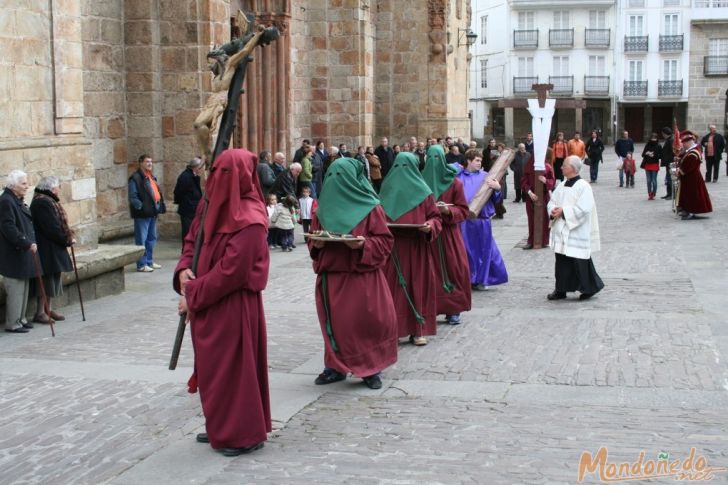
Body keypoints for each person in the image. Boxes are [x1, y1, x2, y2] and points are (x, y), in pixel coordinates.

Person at [174, 148, 271, 457]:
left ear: (242, 176)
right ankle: (220, 425)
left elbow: (232, 272)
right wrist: (183, 272)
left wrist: (193, 294)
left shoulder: (252, 219)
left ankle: (243, 433)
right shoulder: (208, 207)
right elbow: (192, 241)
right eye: (214, 171)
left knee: (234, 372)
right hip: (206, 304)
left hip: (233, 306)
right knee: (213, 370)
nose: (216, 179)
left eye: (225, 173)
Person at [307, 158, 397, 389]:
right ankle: (334, 367)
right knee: (334, 325)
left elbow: (385, 242)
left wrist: (362, 246)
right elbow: (314, 240)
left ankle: (370, 368)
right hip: (332, 277)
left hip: (363, 276)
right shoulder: (322, 208)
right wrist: (316, 244)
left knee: (366, 323)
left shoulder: (371, 206)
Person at [380, 152, 442, 346]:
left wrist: (430, 225)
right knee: (392, 290)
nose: (402, 171)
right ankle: (394, 329)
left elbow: (436, 217)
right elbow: (376, 217)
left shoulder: (424, 192)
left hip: (417, 249)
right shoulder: (385, 189)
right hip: (393, 250)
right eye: (398, 166)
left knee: (418, 287)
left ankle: (418, 329)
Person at [422, 144, 471, 325]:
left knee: (454, 269)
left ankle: (453, 308)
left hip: (449, 234)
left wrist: (448, 211)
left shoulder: (454, 182)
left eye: (437, 159)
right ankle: (431, 308)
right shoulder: (420, 183)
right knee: (430, 273)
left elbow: (463, 210)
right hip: (429, 236)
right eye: (431, 158)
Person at [547, 155, 604, 301]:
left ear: (572, 168)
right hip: (562, 229)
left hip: (576, 230)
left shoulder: (583, 186)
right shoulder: (561, 185)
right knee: (561, 262)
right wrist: (553, 209)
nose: (561, 167)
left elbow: (584, 209)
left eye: (564, 165)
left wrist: (563, 212)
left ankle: (589, 288)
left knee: (580, 262)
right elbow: (552, 201)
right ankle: (561, 289)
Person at [459, 149, 508, 290]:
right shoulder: (459, 177)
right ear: (468, 161)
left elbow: (496, 199)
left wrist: (498, 189)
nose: (480, 163)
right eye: (477, 160)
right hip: (465, 222)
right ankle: (468, 278)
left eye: (480, 160)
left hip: (482, 220)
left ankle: (482, 279)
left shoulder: (487, 177)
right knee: (467, 250)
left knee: (483, 250)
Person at [29, 176, 75, 324]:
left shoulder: (47, 200)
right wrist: (66, 239)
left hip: (52, 247)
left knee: (53, 279)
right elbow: (51, 228)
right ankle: (40, 312)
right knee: (47, 279)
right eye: (57, 188)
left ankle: (48, 309)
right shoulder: (42, 202)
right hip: (46, 248)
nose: (58, 191)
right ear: (51, 188)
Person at [0, 170, 36, 333]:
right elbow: (8, 227)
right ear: (13, 185)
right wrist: (25, 242)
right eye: (23, 183)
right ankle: (13, 323)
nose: (26, 186)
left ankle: (21, 319)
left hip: (23, 251)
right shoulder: (6, 201)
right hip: (13, 252)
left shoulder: (15, 199)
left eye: (26, 183)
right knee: (15, 288)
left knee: (24, 285)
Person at [128, 154, 165, 272]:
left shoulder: (151, 177)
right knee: (141, 240)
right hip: (143, 214)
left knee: (151, 238)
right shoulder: (135, 178)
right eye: (147, 161)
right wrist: (142, 208)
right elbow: (133, 197)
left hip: (152, 212)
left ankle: (149, 261)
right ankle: (141, 264)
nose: (150, 164)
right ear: (141, 163)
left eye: (151, 161)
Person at [521, 147, 556, 250]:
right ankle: (531, 241)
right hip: (531, 198)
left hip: (544, 197)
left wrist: (546, 181)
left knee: (544, 219)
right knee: (531, 220)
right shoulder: (529, 165)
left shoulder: (547, 166)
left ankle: (544, 240)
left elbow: (552, 181)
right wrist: (529, 192)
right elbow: (524, 180)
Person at [677, 132, 713, 220]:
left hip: (692, 178)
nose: (683, 145)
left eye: (684, 143)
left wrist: (679, 172)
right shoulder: (691, 151)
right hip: (690, 177)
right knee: (689, 195)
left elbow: (689, 166)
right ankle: (688, 210)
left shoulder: (694, 152)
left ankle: (691, 211)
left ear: (689, 142)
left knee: (692, 195)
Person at [174, 157, 204, 241]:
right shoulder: (185, 177)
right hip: (188, 210)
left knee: (193, 232)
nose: (201, 170)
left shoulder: (192, 175)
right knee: (188, 233)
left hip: (192, 209)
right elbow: (178, 193)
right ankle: (186, 252)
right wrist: (188, 203)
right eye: (200, 168)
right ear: (196, 167)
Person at [641, 133, 662, 200]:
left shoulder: (658, 145)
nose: (653, 139)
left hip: (655, 164)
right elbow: (643, 154)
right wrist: (647, 153)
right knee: (648, 180)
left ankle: (654, 193)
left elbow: (661, 155)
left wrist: (654, 155)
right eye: (652, 138)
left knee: (654, 180)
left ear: (656, 138)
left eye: (654, 138)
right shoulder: (647, 145)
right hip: (648, 164)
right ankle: (650, 194)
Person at [660, 127, 676, 200]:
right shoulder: (668, 140)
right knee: (668, 178)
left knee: (670, 178)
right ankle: (668, 194)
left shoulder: (671, 140)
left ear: (665, 133)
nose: (662, 135)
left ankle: (671, 195)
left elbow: (672, 152)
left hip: (671, 163)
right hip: (668, 163)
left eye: (663, 133)